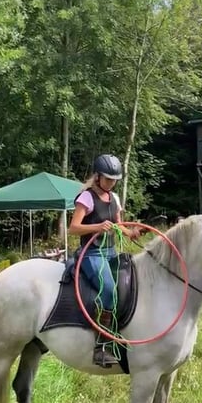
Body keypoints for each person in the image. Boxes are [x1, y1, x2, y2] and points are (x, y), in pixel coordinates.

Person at [68, 153, 141, 368]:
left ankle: (120, 335)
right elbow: (73, 228)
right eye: (108, 179)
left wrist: (130, 233)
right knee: (109, 290)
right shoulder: (86, 198)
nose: (111, 183)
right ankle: (100, 348)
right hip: (91, 255)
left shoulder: (115, 198)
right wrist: (97, 227)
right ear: (98, 177)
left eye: (114, 180)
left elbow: (117, 224)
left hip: (110, 252)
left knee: (128, 285)